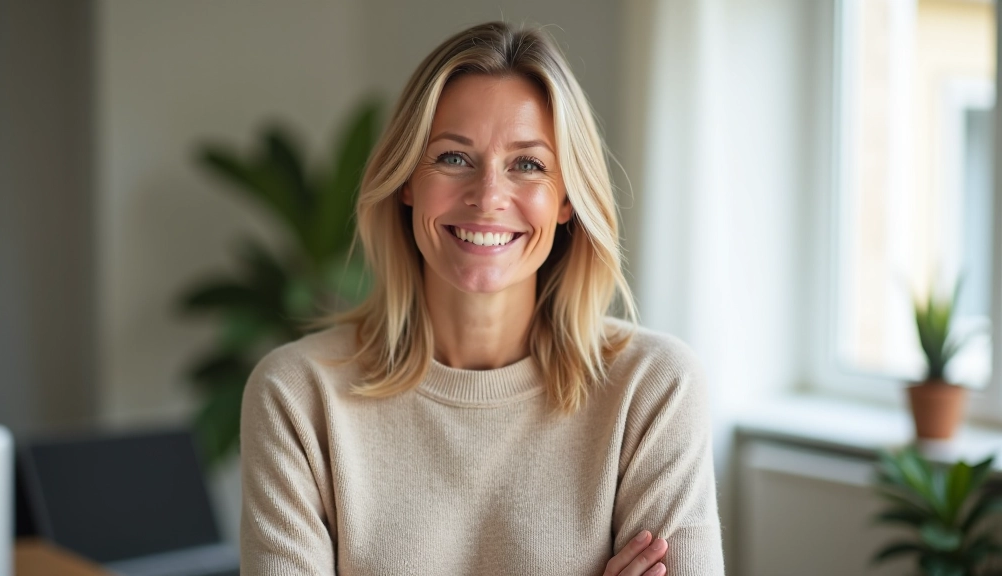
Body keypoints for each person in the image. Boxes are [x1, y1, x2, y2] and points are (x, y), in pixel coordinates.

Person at [239, 21, 724, 576]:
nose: (488, 196)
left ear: (567, 199)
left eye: (528, 164)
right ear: (406, 181)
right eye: (453, 157)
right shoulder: (296, 396)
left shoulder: (654, 389)